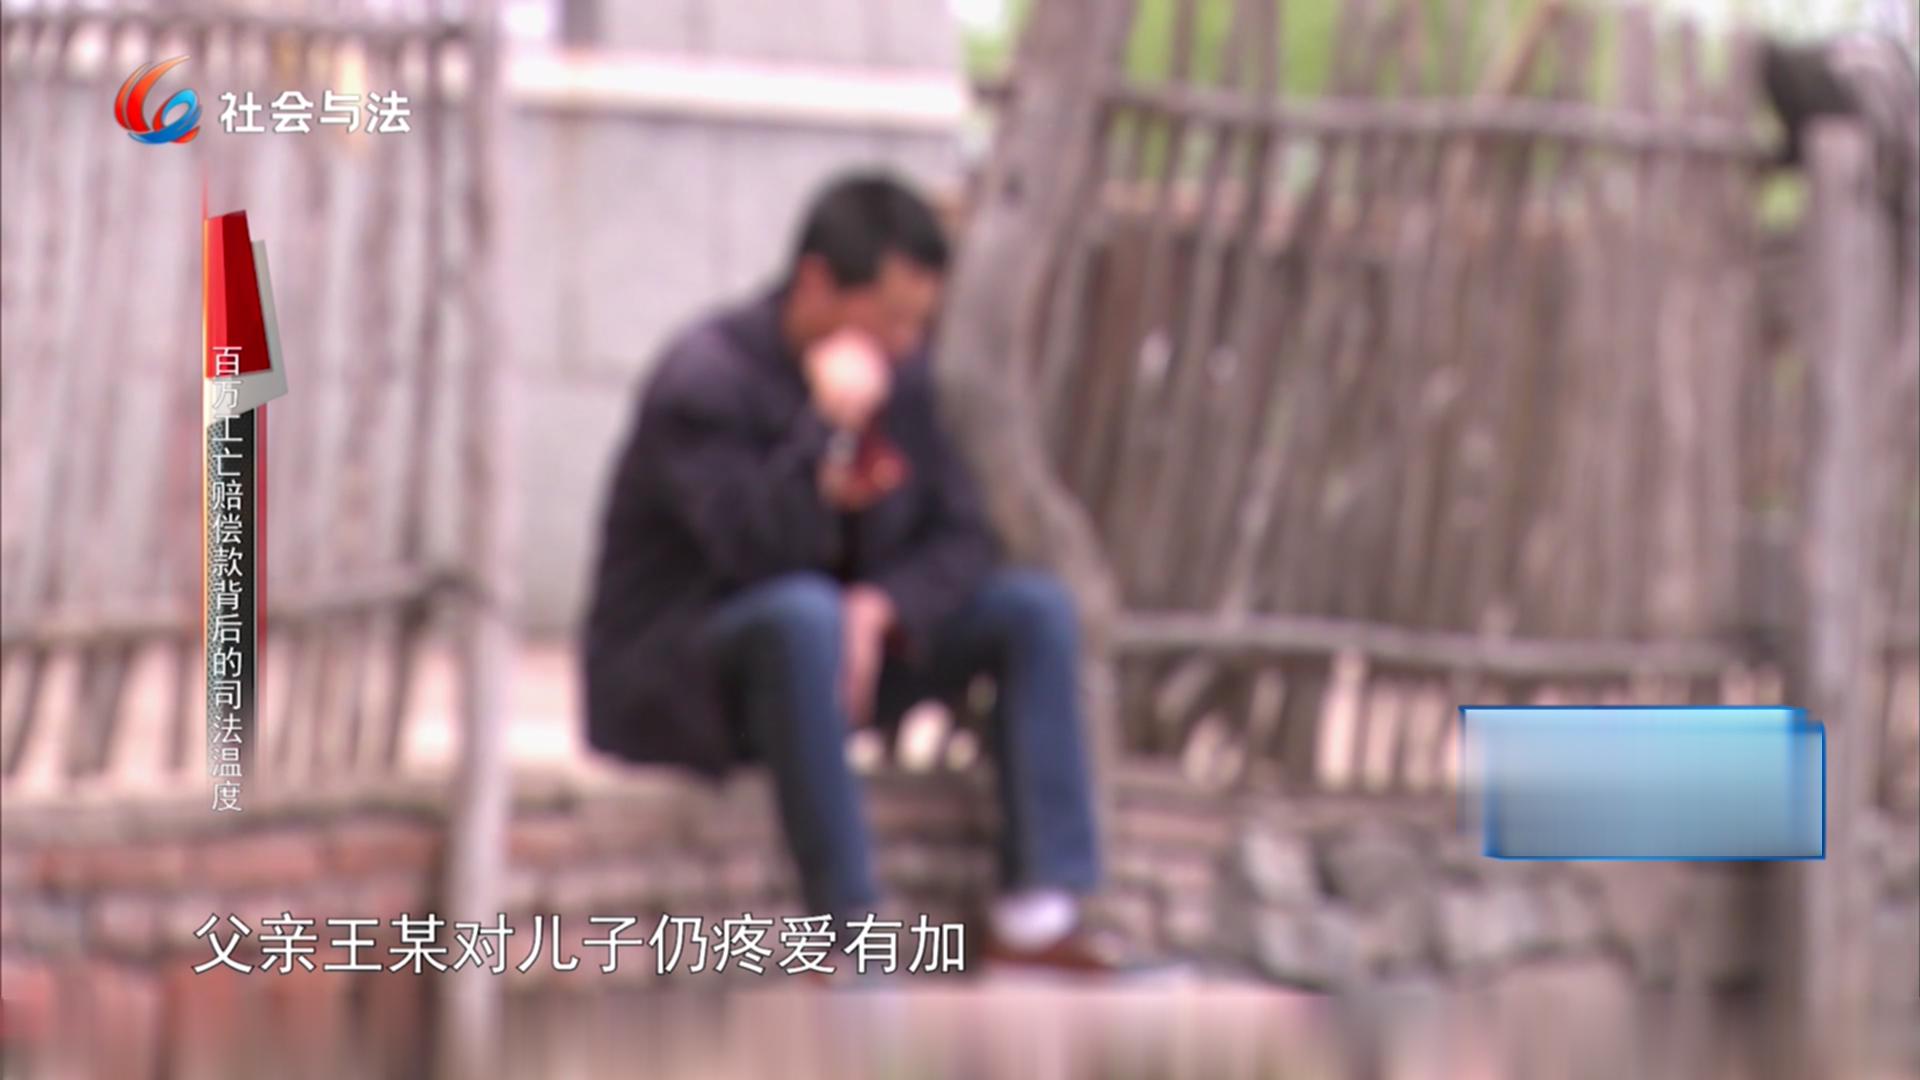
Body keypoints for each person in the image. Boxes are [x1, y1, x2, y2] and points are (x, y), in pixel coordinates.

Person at [582, 171, 1121, 974]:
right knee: (803, 612)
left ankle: (1036, 915)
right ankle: (849, 933)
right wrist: (826, 429)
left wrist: (881, 606)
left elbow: (965, 535)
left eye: (919, 323)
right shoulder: (706, 380)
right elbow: (754, 549)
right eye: (890, 319)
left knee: (1032, 610)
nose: (905, 344)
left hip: (834, 669)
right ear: (816, 284)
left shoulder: (902, 380)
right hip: (688, 680)